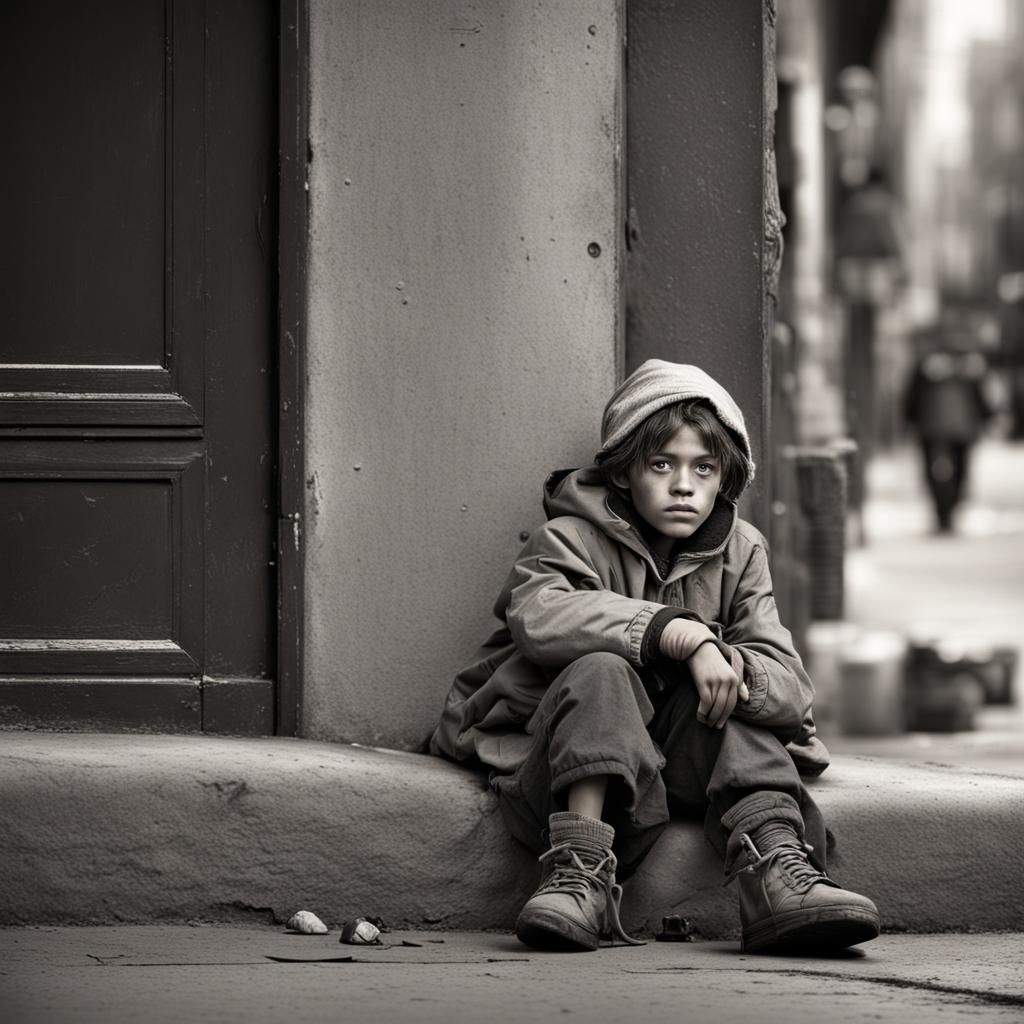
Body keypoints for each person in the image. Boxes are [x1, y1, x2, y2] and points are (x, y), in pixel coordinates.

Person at [430, 359, 879, 954]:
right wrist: (676, 633)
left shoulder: (743, 552)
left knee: (733, 689)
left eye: (704, 468)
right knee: (602, 671)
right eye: (662, 465)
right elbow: (541, 617)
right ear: (622, 472)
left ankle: (774, 869)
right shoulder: (567, 538)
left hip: (684, 765)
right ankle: (578, 871)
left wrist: (729, 666)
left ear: (725, 478)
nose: (683, 485)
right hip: (566, 768)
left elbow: (790, 690)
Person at [903, 332, 993, 533]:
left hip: (936, 429)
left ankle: (944, 513)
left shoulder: (929, 368)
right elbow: (980, 398)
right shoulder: (968, 368)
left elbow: (911, 397)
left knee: (940, 471)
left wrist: (909, 421)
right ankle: (947, 512)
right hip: (953, 429)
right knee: (955, 471)